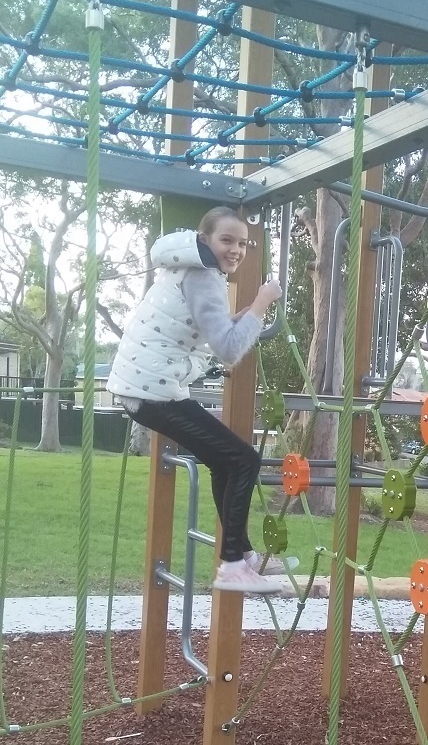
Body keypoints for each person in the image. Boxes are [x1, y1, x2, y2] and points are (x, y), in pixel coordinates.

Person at [109, 206, 296, 594]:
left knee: (222, 460)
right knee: (244, 459)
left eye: (242, 243)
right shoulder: (205, 278)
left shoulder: (184, 267)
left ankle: (242, 555)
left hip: (144, 385)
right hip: (153, 391)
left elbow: (214, 328)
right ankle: (232, 567)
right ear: (205, 238)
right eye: (227, 240)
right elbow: (229, 349)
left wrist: (246, 314)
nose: (236, 250)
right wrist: (262, 301)